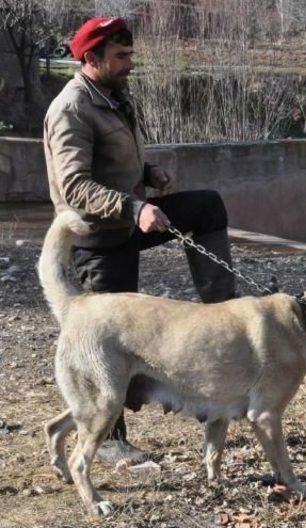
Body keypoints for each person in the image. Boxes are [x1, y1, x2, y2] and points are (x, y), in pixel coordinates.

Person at [43, 17, 235, 464]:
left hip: (129, 222)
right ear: (91, 59)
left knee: (207, 206)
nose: (131, 63)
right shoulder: (71, 108)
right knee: (110, 343)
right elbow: (74, 186)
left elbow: (113, 160)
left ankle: (224, 314)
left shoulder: (113, 96)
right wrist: (135, 207)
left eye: (130, 54)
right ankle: (109, 440)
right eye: (121, 56)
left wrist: (148, 175)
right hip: (99, 238)